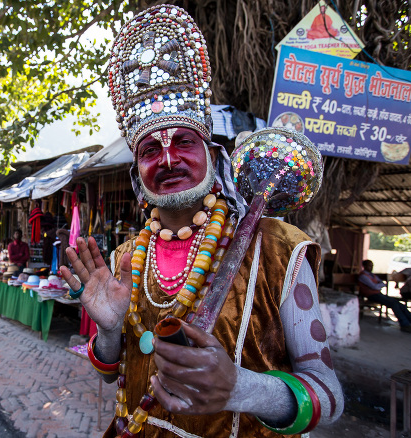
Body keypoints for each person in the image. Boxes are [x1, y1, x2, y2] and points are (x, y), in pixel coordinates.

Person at [60, 6, 343, 437]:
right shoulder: (124, 259)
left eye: (184, 142)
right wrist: (110, 330)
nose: (169, 158)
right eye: (150, 150)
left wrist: (242, 389)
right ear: (138, 173)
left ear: (214, 157)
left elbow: (330, 395)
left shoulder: (281, 250)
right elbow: (109, 372)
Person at [359, 259, 411, 333]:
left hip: (378, 293)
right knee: (394, 304)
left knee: (400, 304)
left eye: (372, 266)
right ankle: (405, 324)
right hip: (371, 295)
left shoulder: (372, 275)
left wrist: (379, 285)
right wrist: (379, 285)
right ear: (364, 266)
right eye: (369, 266)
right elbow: (375, 286)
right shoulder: (363, 276)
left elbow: (382, 283)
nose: (371, 267)